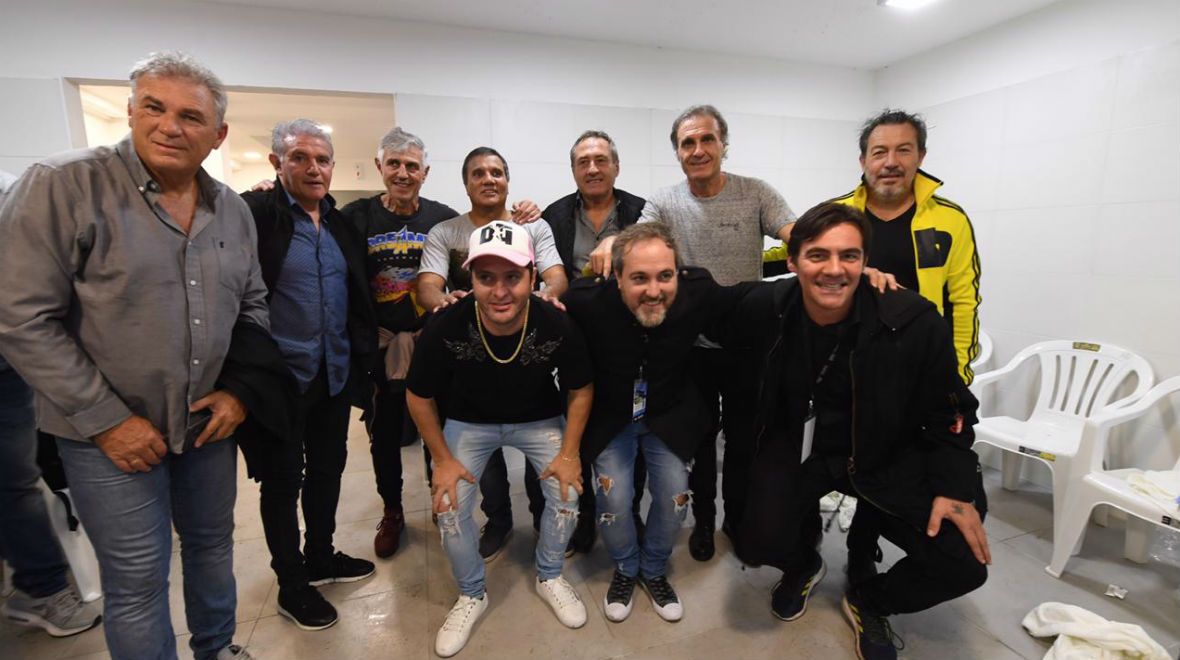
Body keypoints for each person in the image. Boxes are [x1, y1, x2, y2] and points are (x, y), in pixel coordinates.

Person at [0, 51, 260, 659]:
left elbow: (253, 306)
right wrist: (109, 421)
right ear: (130, 111)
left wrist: (239, 390)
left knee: (212, 548)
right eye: (154, 107)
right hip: (106, 439)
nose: (170, 126)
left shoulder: (232, 209)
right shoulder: (62, 185)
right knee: (139, 581)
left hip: (206, 425)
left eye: (191, 116)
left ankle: (218, 648)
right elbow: (19, 316)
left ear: (218, 134)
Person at [727, 202, 990, 660]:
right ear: (792, 262)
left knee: (963, 561)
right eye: (818, 255)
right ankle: (804, 561)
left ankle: (869, 599)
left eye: (849, 256)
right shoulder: (766, 306)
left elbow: (951, 411)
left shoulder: (912, 320)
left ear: (866, 262)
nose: (834, 269)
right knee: (752, 540)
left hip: (888, 456)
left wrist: (953, 488)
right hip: (803, 452)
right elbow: (692, 296)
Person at [590, 104, 798, 561]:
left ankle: (736, 520)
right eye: (688, 143)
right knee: (699, 440)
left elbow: (793, 230)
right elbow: (637, 236)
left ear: (724, 145)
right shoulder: (665, 201)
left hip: (746, 345)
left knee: (743, 440)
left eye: (707, 139)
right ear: (678, 152)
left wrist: (821, 251)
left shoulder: (754, 192)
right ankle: (703, 522)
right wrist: (610, 240)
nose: (698, 150)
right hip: (690, 347)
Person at [407, 221, 592, 657]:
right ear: (469, 279)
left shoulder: (555, 321)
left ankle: (549, 575)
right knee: (448, 503)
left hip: (538, 417)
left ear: (533, 275)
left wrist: (570, 454)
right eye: (486, 277)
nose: (500, 291)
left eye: (513, 276)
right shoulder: (447, 322)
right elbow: (418, 396)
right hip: (469, 421)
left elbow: (581, 389)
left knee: (567, 490)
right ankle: (472, 593)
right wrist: (442, 460)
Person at [563, 222, 754, 623]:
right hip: (611, 418)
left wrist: (835, 280)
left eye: (665, 276)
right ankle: (626, 568)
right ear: (616, 277)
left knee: (673, 497)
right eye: (639, 278)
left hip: (669, 413)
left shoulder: (696, 290)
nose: (654, 290)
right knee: (614, 499)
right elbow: (537, 313)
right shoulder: (585, 300)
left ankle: (652, 570)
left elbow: (751, 298)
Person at [238, 119, 378, 630]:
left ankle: (321, 555)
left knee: (327, 469)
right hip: (278, 380)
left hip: (333, 373)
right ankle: (292, 583)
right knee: (281, 482)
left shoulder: (340, 224)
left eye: (322, 159)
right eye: (299, 158)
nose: (313, 168)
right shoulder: (256, 215)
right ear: (277, 163)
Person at [417, 147, 568, 560]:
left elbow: (556, 278)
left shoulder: (533, 227)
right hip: (470, 364)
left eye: (497, 172)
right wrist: (447, 305)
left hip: (527, 360)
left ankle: (542, 521)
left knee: (540, 449)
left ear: (507, 181)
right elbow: (428, 286)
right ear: (466, 183)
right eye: (478, 173)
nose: (488, 179)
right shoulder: (445, 232)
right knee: (485, 459)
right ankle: (499, 521)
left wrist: (537, 302)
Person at [340, 127, 459, 558]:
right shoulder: (355, 217)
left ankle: (441, 498)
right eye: (394, 164)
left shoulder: (443, 218)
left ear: (425, 172)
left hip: (431, 344)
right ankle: (392, 510)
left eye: (412, 166)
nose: (403, 173)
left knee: (436, 431)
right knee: (385, 436)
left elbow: (467, 265)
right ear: (380, 167)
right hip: (381, 348)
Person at [541, 130, 647, 555]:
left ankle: (631, 510)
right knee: (579, 429)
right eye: (583, 162)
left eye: (601, 160)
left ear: (616, 167)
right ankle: (585, 514)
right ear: (573, 170)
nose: (592, 168)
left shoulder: (641, 211)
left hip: (631, 344)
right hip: (577, 342)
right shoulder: (555, 214)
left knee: (633, 427)